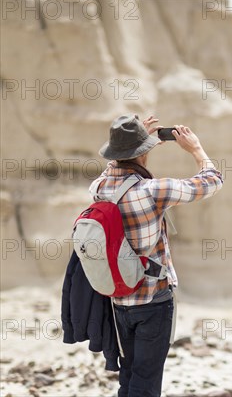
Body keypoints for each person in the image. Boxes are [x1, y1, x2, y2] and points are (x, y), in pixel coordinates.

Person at [90, 114, 223, 396]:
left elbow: (111, 170)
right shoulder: (153, 190)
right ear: (141, 153)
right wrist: (196, 149)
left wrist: (137, 145)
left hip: (117, 298)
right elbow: (212, 181)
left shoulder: (99, 188)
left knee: (129, 376)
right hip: (153, 298)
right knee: (147, 381)